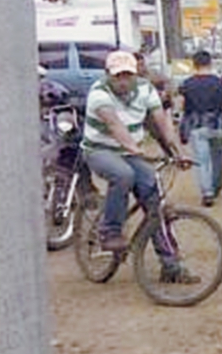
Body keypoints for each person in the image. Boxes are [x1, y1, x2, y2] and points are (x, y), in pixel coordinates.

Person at [81, 50, 196, 282]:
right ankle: (110, 231)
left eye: (128, 75)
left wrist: (178, 152)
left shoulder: (145, 89)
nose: (123, 81)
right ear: (108, 76)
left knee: (156, 200)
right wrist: (133, 148)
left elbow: (161, 121)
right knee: (123, 175)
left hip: (129, 151)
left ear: (135, 75)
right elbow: (114, 125)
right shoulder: (98, 93)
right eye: (118, 76)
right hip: (100, 150)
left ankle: (171, 265)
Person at [178, 50, 222, 207]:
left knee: (202, 160)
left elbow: (180, 105)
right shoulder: (220, 82)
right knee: (218, 157)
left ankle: (207, 192)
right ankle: (216, 185)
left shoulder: (187, 84)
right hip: (218, 123)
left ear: (194, 64)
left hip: (197, 124)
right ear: (210, 63)